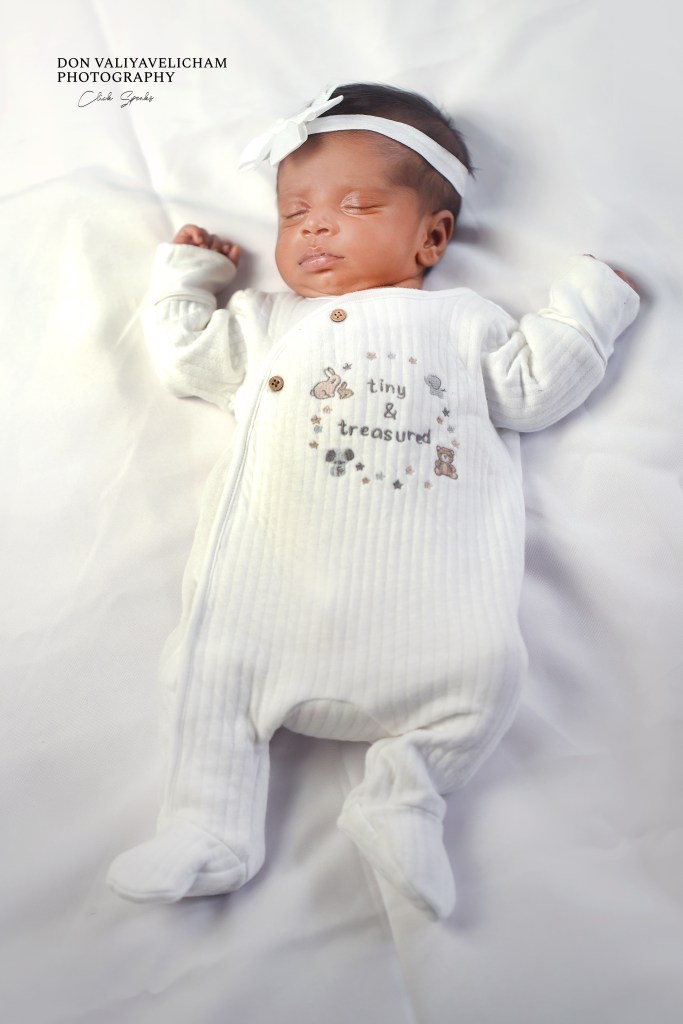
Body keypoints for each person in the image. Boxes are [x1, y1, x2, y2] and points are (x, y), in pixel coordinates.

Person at [107, 83, 639, 918]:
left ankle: (403, 797)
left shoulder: (466, 325)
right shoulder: (268, 321)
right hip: (268, 597)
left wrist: (586, 309)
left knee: (490, 677)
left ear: (432, 236)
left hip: (428, 612)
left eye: (353, 206)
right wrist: (188, 276)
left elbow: (533, 391)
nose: (315, 227)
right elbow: (185, 357)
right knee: (205, 673)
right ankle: (209, 826)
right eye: (293, 213)